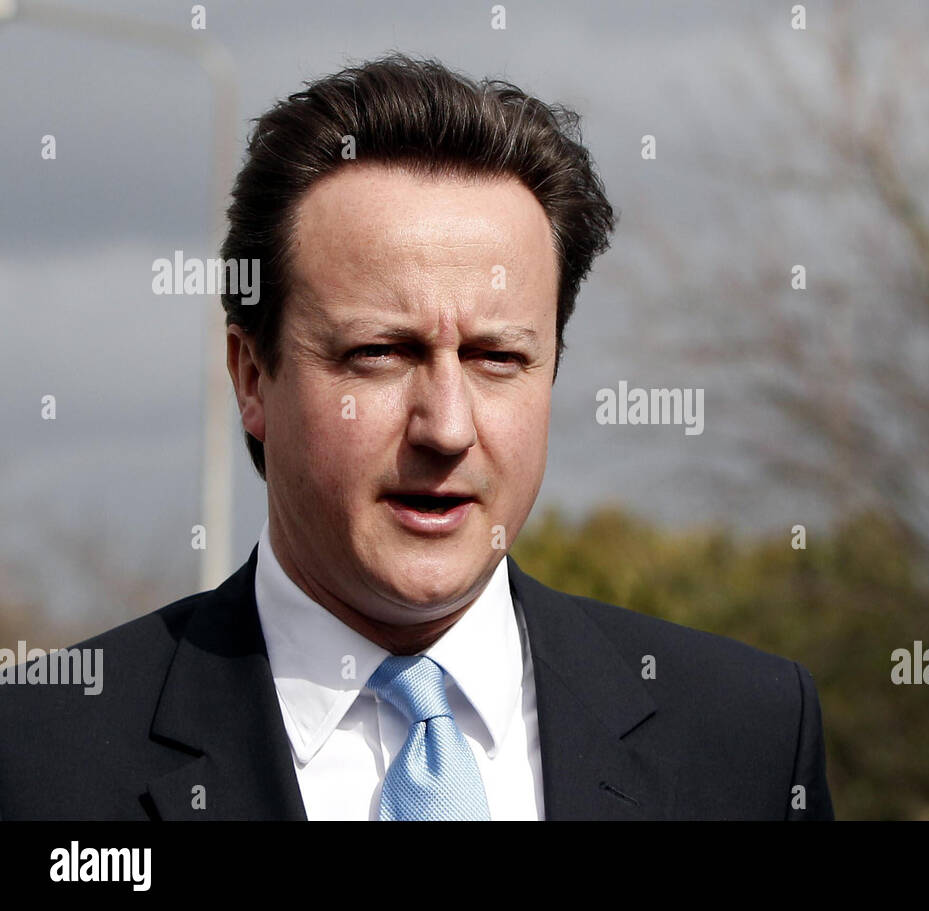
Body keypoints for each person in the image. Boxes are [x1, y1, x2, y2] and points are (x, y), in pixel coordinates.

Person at [0, 54, 833, 821]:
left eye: (497, 357)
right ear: (252, 376)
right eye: (379, 353)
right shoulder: (38, 761)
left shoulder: (748, 739)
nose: (447, 426)